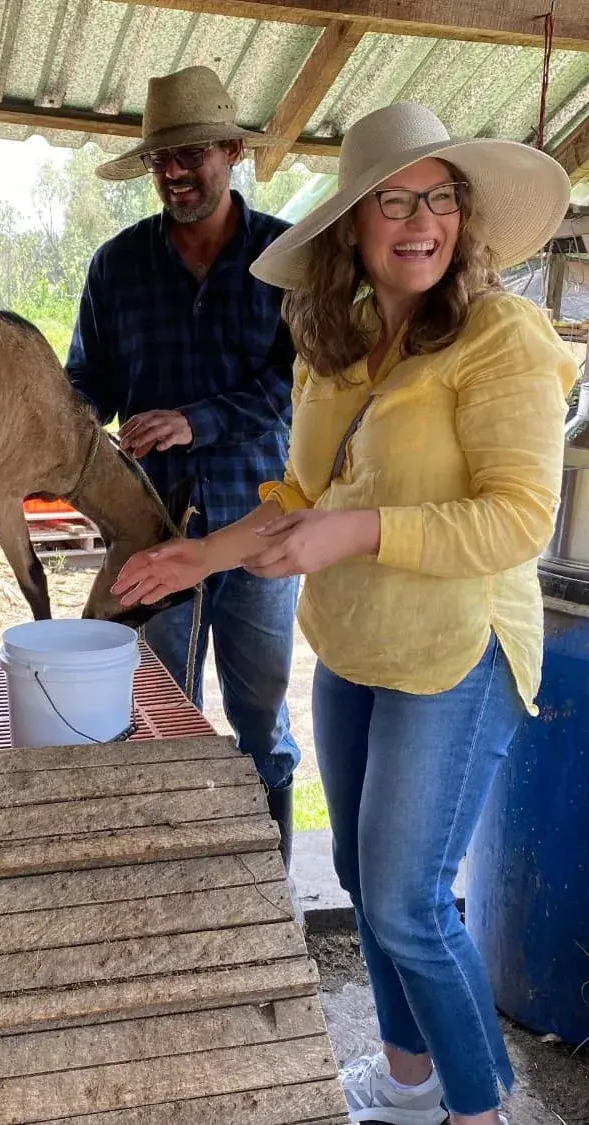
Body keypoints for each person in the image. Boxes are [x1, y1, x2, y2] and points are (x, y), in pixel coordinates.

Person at [112, 101, 578, 1125]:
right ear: (351, 229)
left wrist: (355, 533)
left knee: (411, 904)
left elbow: (516, 521)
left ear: (464, 218)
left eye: (440, 199)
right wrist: (200, 553)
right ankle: (407, 1086)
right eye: (394, 201)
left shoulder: (504, 335)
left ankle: (477, 1112)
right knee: (370, 887)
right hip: (360, 640)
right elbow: (301, 500)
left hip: (459, 649)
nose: (421, 221)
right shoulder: (337, 337)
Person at [66, 65, 301, 862]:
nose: (176, 171)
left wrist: (195, 421)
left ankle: (266, 881)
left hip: (264, 529)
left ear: (233, 151)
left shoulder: (286, 259)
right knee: (160, 713)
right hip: (148, 528)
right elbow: (87, 382)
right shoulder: (116, 266)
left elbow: (298, 386)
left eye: (194, 152)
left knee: (262, 718)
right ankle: (173, 875)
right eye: (163, 157)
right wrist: (64, 432)